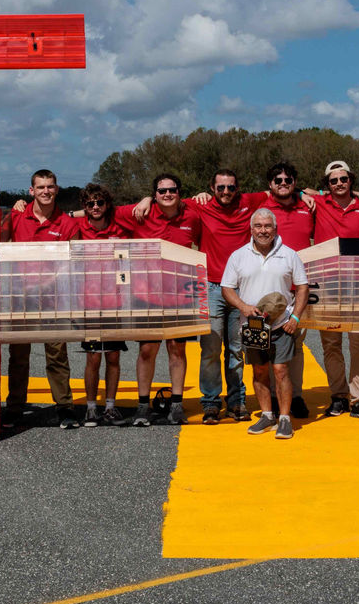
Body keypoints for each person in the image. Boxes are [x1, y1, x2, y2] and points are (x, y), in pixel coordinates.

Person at [118, 173, 201, 426]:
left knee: (177, 349)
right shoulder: (139, 213)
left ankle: (177, 404)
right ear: (154, 194)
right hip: (147, 295)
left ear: (180, 192)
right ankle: (142, 405)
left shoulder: (192, 216)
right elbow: (99, 208)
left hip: (180, 295)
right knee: (147, 350)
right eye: (162, 191)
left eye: (172, 190)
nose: (167, 194)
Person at [185, 169, 267, 424]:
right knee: (210, 348)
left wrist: (312, 193)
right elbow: (166, 200)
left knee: (236, 349)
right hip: (211, 286)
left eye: (231, 187)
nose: (226, 192)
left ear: (238, 187)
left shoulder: (249, 202)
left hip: (242, 288)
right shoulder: (200, 205)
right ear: (211, 187)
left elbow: (279, 192)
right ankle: (210, 402)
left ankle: (236, 401)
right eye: (220, 187)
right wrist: (145, 201)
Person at [1, 168, 81, 429]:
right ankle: (14, 407)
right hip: (20, 298)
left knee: (57, 355)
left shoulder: (68, 224)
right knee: (19, 355)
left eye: (50, 186)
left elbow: (72, 265)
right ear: (31, 191)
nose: (46, 191)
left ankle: (65, 407)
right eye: (41, 187)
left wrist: (48, 283)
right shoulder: (15, 217)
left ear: (56, 189)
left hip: (54, 299)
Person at [221, 209, 309, 439]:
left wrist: (296, 317)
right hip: (252, 326)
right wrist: (243, 307)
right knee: (259, 371)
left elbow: (302, 287)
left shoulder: (290, 255)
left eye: (267, 226)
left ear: (275, 229)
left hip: (281, 325)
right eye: (258, 226)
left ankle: (285, 419)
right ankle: (267, 415)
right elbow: (226, 288)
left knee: (280, 370)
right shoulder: (238, 256)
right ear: (251, 229)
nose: (263, 230)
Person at [311, 160, 359, 422]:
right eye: (333, 180)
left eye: (343, 179)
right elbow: (290, 192)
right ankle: (338, 396)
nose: (339, 184)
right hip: (326, 285)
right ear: (326, 185)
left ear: (351, 180)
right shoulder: (317, 204)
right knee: (331, 344)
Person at [75, 183, 133, 427]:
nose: (95, 207)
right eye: (90, 204)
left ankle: (110, 406)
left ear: (107, 204)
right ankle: (90, 408)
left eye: (100, 202)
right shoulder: (77, 227)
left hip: (115, 302)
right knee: (92, 358)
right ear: (84, 207)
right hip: (89, 303)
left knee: (112, 357)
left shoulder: (121, 229)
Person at [263, 161, 315, 420]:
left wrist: (307, 194)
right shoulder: (260, 206)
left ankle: (295, 395)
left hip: (300, 287)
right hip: (271, 289)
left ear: (295, 183)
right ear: (270, 184)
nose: (283, 184)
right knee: (269, 344)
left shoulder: (308, 206)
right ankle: (273, 396)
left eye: (288, 180)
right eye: (278, 180)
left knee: (296, 345)